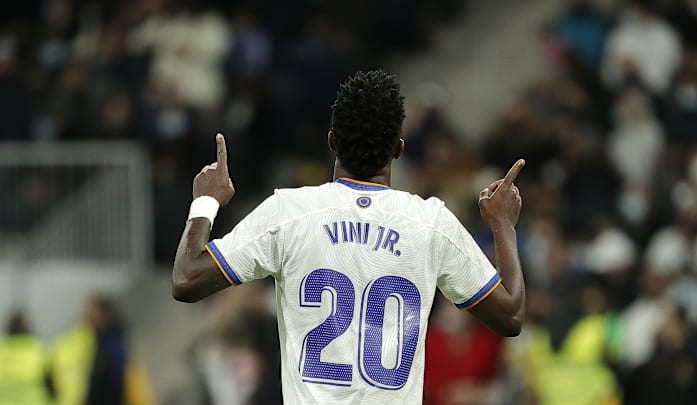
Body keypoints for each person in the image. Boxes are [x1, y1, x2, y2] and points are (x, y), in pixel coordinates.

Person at [172, 69, 526, 404]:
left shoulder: (289, 212)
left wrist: (206, 202)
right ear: (398, 148)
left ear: (332, 141)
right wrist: (503, 225)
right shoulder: (431, 223)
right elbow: (510, 315)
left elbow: (187, 279)